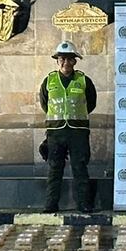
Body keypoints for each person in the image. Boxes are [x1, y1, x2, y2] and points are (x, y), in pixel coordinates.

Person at [39, 41, 98, 213]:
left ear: (75, 61)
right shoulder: (48, 81)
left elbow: (91, 103)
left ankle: (84, 204)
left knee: (80, 168)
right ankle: (51, 205)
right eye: (62, 59)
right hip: (56, 132)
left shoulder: (84, 80)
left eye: (69, 59)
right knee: (54, 169)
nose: (65, 62)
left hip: (78, 132)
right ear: (57, 61)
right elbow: (45, 104)